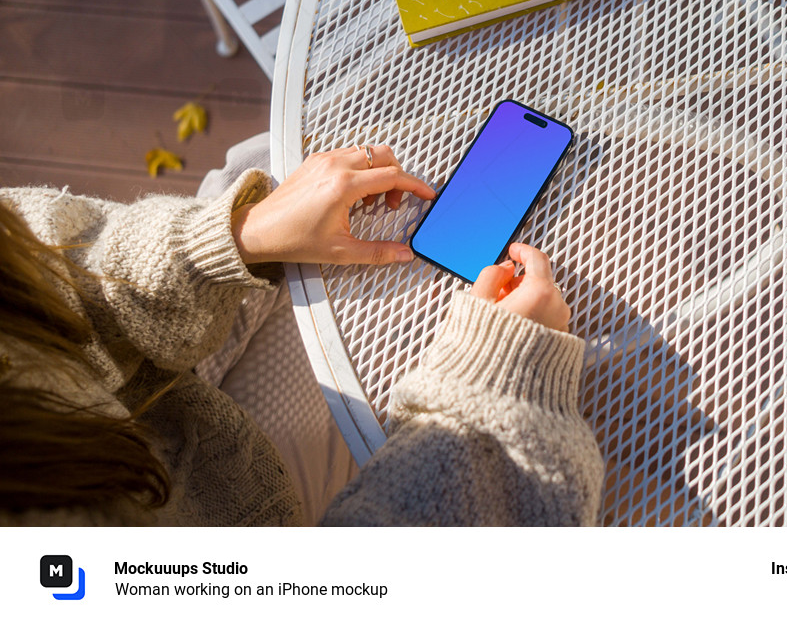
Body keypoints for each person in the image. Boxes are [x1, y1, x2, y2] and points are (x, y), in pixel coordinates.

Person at [0, 143, 604, 526]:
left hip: (164, 406)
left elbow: (48, 261)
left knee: (276, 157)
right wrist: (500, 378)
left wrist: (235, 235)